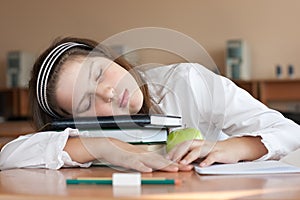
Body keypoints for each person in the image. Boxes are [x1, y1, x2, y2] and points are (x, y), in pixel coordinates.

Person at [0, 37, 299, 172]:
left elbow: (290, 132)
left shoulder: (188, 81)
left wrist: (229, 148)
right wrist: (100, 146)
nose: (108, 93)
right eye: (86, 101)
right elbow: (8, 156)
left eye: (100, 73)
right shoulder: (88, 133)